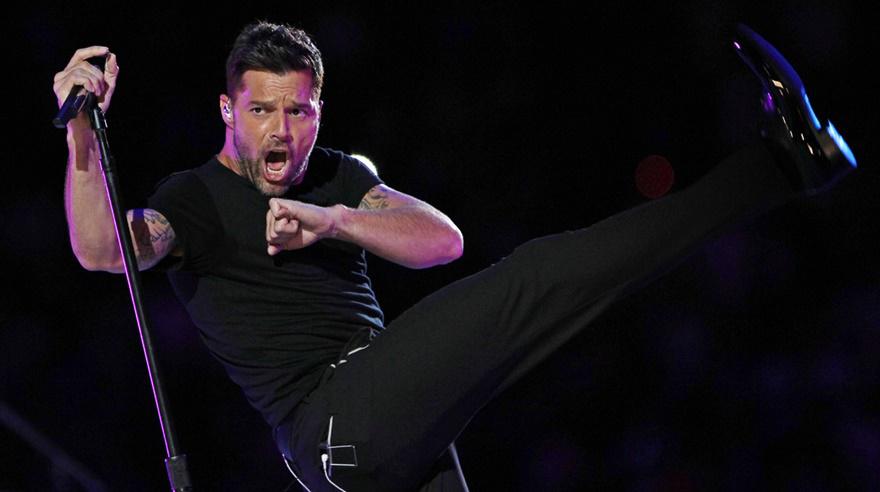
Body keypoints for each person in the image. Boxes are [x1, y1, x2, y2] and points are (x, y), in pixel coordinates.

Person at [54, 21, 856, 491]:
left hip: (393, 416)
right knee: (536, 281)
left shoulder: (341, 176)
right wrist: (85, 138)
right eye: (260, 110)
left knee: (532, 288)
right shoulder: (192, 198)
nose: (280, 131)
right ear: (228, 110)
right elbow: (101, 251)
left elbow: (441, 242)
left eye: (297, 110)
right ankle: (780, 165)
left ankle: (787, 167)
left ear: (318, 107)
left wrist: (333, 221)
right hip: (334, 425)